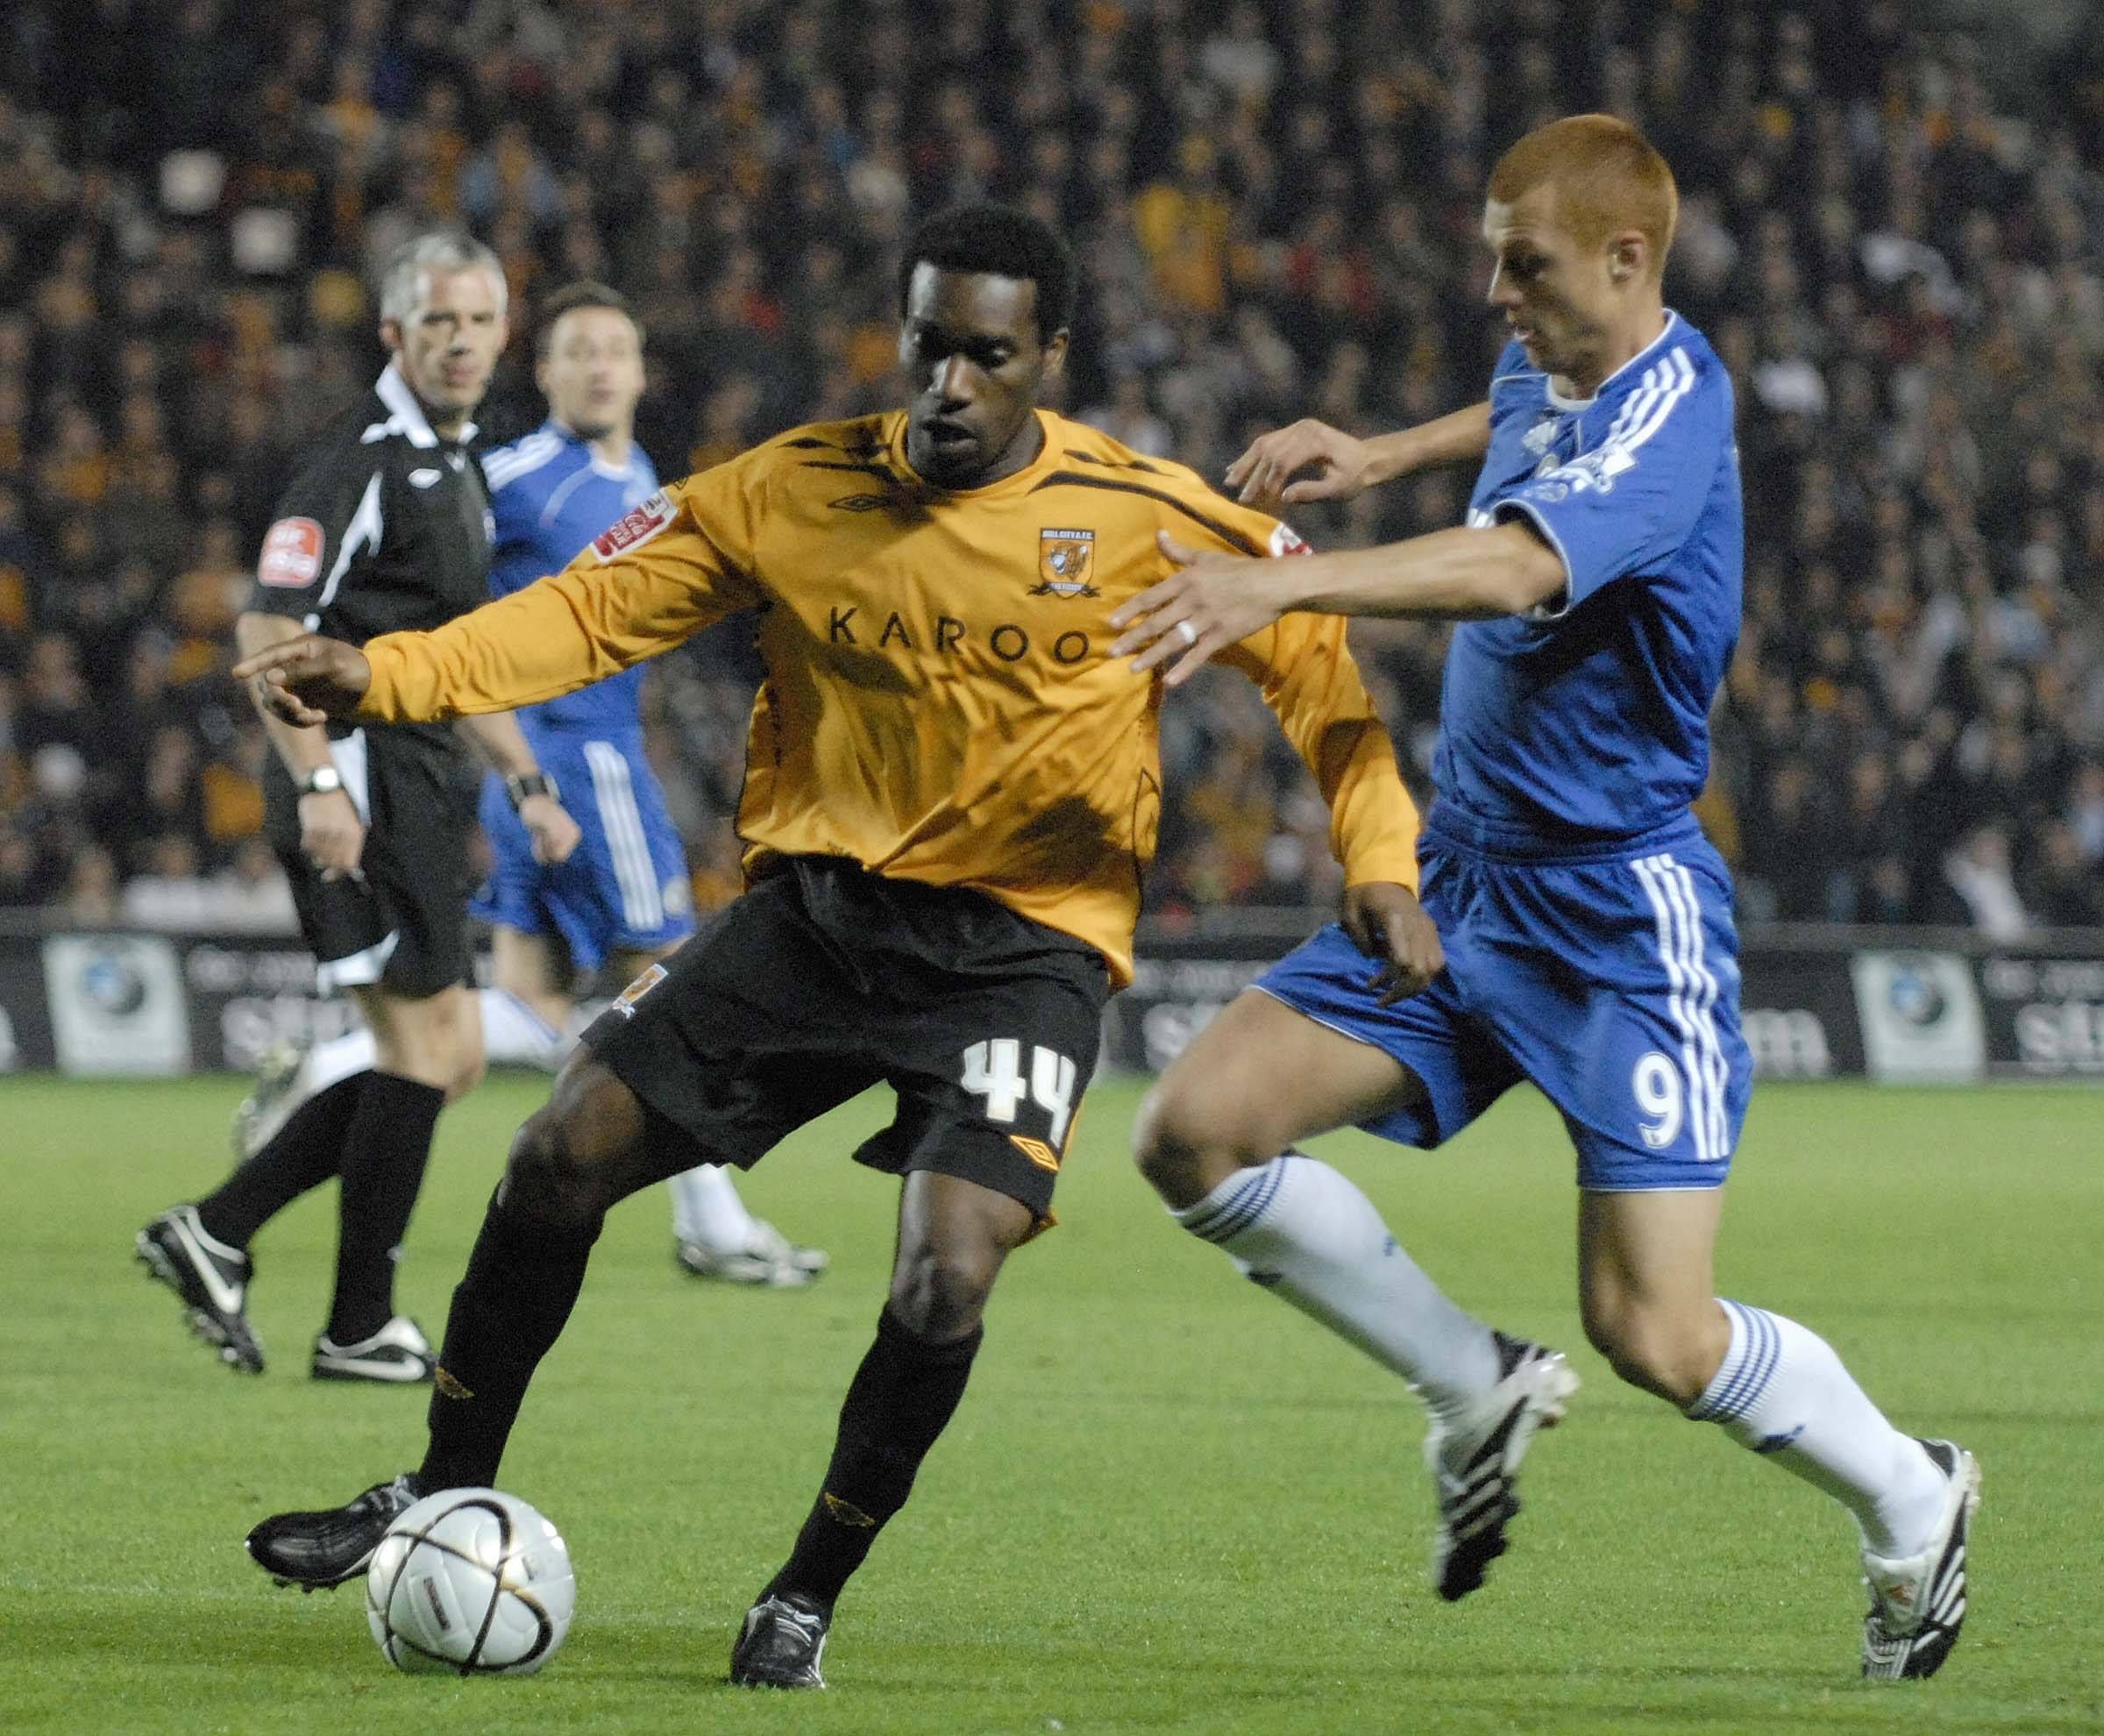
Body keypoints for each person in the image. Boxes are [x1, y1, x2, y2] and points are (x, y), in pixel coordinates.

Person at [231, 203, 1438, 1689]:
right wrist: (387, 675)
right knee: (557, 1153)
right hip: (813, 919)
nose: (948, 382)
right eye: (928, 343)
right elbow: (584, 617)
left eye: (987, 356)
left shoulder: (1145, 513)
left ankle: (805, 1590)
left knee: (946, 1275)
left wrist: (1380, 857)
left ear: (1046, 359)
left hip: (1022, 951)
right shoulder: (790, 486)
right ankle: (438, 1483)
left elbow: (1318, 665)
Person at [1109, 116, 1979, 1683]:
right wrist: (1382, 449)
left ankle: (1916, 1500)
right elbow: (1514, 405)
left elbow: (1517, 571)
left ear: (1628, 261)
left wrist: (1281, 578)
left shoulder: (1679, 418)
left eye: (1528, 263)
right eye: (1495, 255)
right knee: (1194, 1127)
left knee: (1655, 1333)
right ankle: (1468, 1383)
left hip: (1617, 925)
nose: (1497, 290)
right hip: (1463, 884)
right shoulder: (1562, 358)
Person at [235, 281, 825, 1288]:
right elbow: (427, 553)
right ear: (542, 371)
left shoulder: (635, 469)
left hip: (564, 761)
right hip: (570, 759)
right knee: (674, 977)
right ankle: (713, 1221)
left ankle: (330, 1068)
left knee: (534, 1002)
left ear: (643, 371)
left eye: (615, 348)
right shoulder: (516, 476)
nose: (599, 366)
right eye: (576, 350)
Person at [136, 232, 581, 1384]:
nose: (463, 340)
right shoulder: (364, 458)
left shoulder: (458, 456)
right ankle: (351, 1318)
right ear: (394, 334)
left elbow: (457, 650)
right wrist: (320, 777)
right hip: (371, 782)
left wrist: (526, 781)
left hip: (423, 780)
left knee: (443, 1058)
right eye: (439, 320)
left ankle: (230, 1237)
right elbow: (266, 627)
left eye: (481, 320)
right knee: (430, 1052)